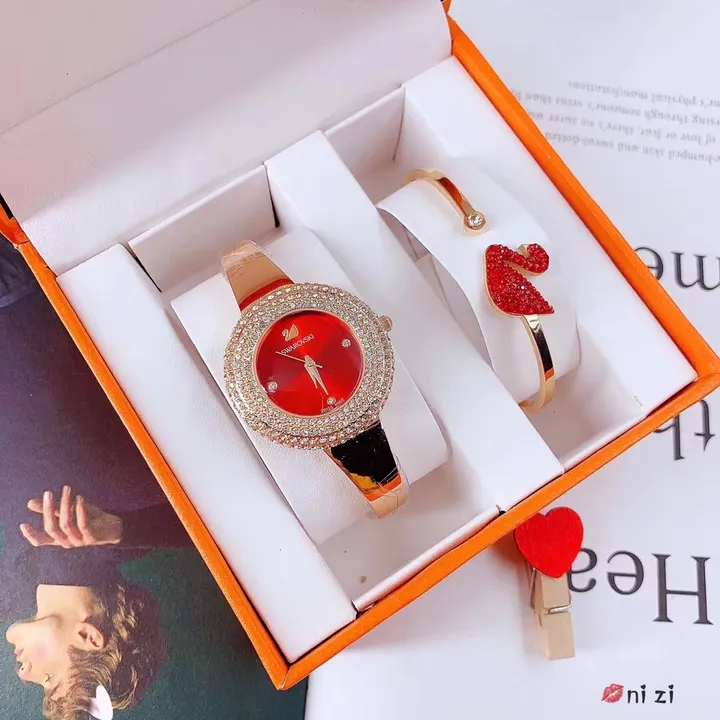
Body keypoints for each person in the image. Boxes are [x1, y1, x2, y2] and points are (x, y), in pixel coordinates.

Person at [0, 238, 192, 718]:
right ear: (88, 636)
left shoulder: (13, 579)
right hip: (25, 281)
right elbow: (220, 526)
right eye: (48, 679)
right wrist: (122, 530)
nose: (24, 673)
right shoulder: (133, 522)